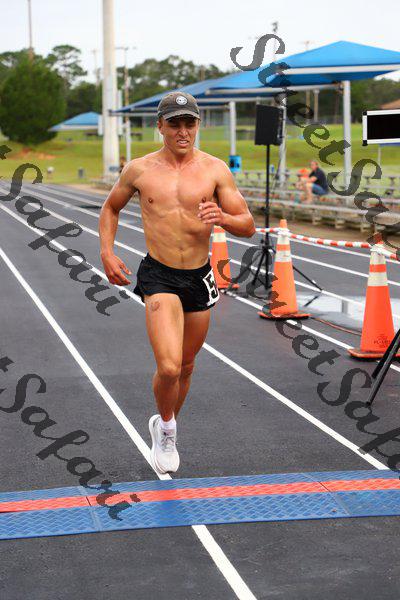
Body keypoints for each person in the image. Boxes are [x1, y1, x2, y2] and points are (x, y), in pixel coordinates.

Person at [99, 91, 255, 474]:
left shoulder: (215, 170)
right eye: (174, 124)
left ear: (198, 125)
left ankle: (165, 422)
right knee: (168, 367)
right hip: (159, 275)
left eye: (189, 123)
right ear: (160, 126)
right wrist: (107, 252)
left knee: (186, 366)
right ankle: (167, 429)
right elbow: (111, 208)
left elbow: (248, 225)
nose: (182, 131)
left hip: (199, 277)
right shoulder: (139, 170)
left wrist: (223, 217)